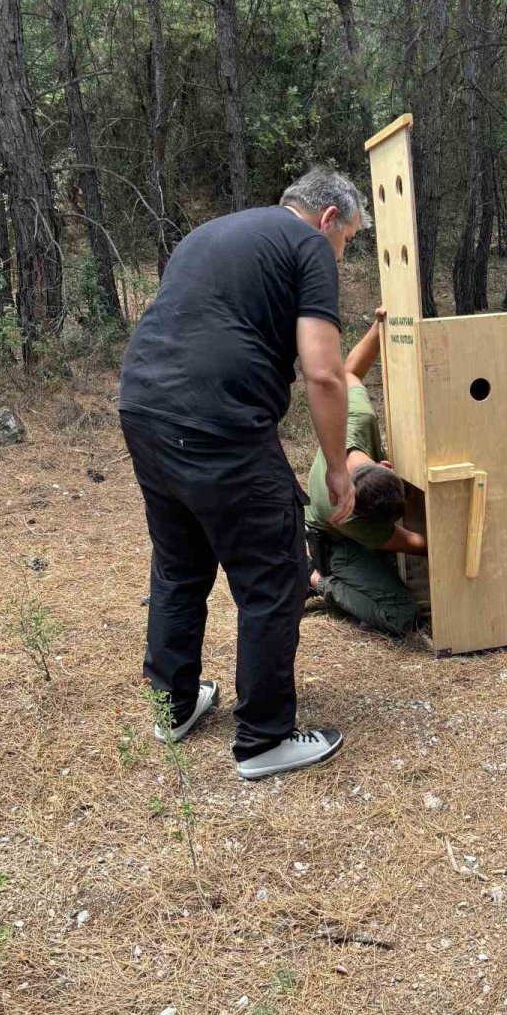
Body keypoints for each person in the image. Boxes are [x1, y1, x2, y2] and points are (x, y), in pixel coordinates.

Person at [118, 167, 369, 781]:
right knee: (277, 574)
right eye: (347, 241)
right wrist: (338, 469)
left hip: (143, 407)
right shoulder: (308, 244)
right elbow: (324, 373)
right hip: (219, 424)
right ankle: (264, 739)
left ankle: (173, 707)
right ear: (328, 218)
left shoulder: (211, 233)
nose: (341, 255)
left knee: (180, 564)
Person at [305, 313, 427, 635]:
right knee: (401, 613)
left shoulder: (357, 418)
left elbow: (350, 372)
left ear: (385, 466)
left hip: (353, 532)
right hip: (335, 545)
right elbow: (416, 544)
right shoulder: (343, 512)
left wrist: (378, 325)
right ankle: (315, 579)